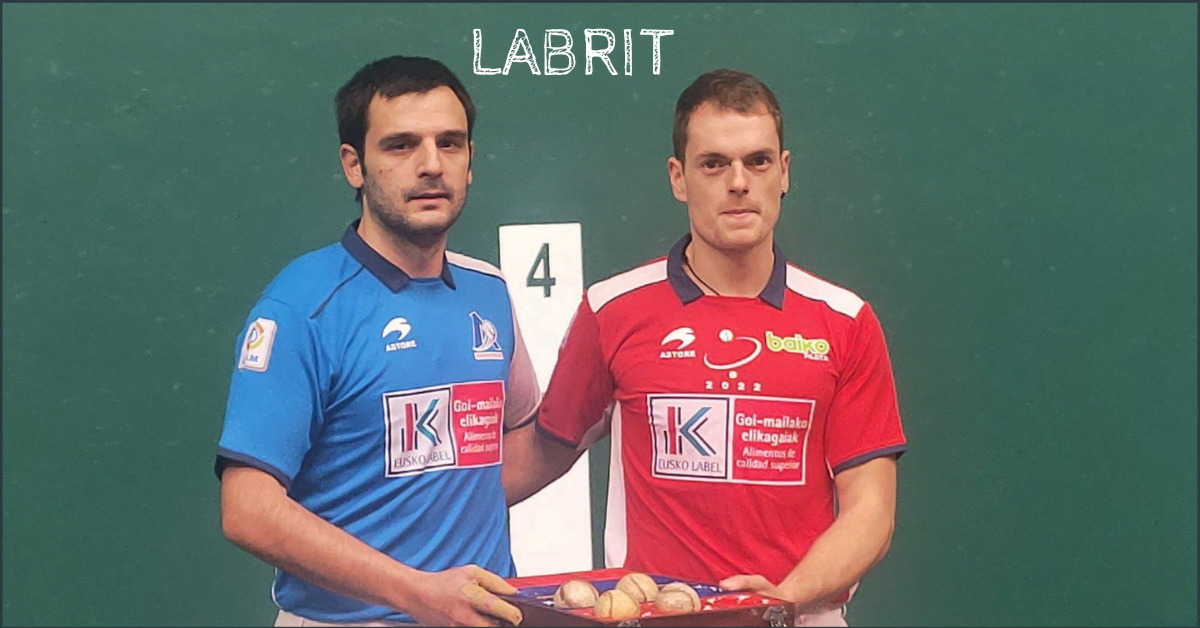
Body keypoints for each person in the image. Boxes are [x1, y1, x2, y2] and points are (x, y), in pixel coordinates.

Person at [502, 69, 907, 627]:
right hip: (653, 617)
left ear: (784, 172)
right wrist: (405, 519)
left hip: (798, 616)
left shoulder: (845, 321)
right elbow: (545, 451)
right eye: (713, 164)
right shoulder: (612, 309)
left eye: (758, 161)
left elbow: (871, 509)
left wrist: (782, 599)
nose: (738, 182)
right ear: (679, 177)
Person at [215, 55, 540, 628]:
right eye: (401, 145)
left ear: (470, 160)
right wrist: (417, 593)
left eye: (449, 143)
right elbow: (248, 510)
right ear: (354, 165)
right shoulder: (303, 307)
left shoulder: (489, 291)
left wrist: (600, 401)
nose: (431, 165)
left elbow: (513, 449)